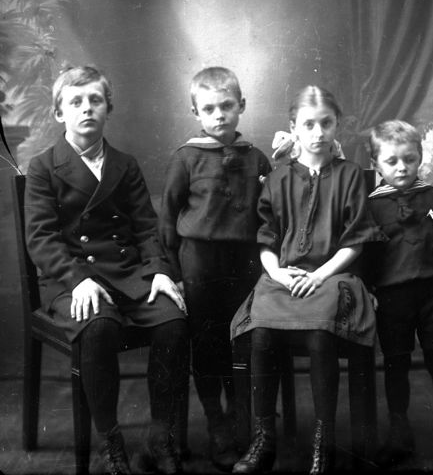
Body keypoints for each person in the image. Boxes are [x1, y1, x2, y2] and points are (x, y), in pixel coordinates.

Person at [25, 66, 189, 475]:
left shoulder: (124, 164)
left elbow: (146, 227)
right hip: (70, 280)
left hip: (127, 274)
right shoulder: (43, 167)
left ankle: (159, 437)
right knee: (99, 326)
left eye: (95, 100)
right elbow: (41, 239)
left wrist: (159, 271)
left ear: (108, 109)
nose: (87, 109)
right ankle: (110, 442)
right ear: (59, 113)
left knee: (173, 321)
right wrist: (78, 280)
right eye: (76, 102)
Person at [230, 85, 384, 474]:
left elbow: (355, 241)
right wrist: (278, 273)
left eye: (326, 124)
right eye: (309, 124)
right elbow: (266, 238)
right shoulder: (279, 178)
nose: (318, 133)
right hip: (283, 277)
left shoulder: (350, 175)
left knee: (320, 332)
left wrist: (318, 275)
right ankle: (264, 437)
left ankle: (323, 441)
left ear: (337, 125)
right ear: (294, 127)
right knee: (261, 332)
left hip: (333, 276)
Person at [159, 67, 271, 472]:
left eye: (227, 105)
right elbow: (167, 218)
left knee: (243, 339)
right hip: (200, 265)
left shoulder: (256, 157)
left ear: (242, 105)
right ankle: (216, 421)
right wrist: (172, 271)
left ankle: (241, 415)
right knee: (207, 344)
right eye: (209, 108)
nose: (219, 114)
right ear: (195, 112)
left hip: (245, 263)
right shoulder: (186, 158)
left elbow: (271, 211)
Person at [365, 120, 433, 471]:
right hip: (391, 298)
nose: (401, 167)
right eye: (391, 161)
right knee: (395, 364)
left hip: (432, 295)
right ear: (376, 164)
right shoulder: (371, 206)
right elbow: (364, 254)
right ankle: (399, 433)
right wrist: (368, 289)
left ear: (420, 157)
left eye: (409, 159)